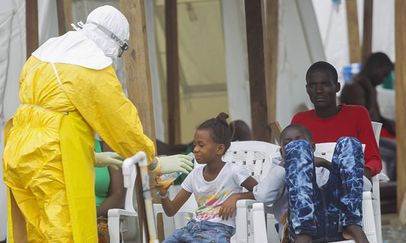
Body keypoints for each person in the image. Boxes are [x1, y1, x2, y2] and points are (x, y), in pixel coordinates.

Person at [2, 6, 192, 242]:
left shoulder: (45, 54)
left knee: (34, 231)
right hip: (53, 160)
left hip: (18, 152)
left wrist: (90, 154)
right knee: (65, 232)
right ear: (114, 43)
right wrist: (152, 161)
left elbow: (48, 114)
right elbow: (121, 124)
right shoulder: (90, 66)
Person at [290, 61, 382, 243]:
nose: (319, 90)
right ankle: (304, 229)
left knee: (349, 143)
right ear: (307, 89)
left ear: (337, 86)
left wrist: (357, 172)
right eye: (313, 85)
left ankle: (351, 223)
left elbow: (374, 159)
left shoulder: (357, 114)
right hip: (311, 190)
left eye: (325, 84)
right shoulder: (300, 119)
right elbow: (293, 163)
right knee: (297, 148)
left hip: (347, 188)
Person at [157, 113, 258, 242]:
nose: (195, 150)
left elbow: (259, 191)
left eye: (201, 145)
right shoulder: (194, 175)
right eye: (195, 145)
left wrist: (236, 197)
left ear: (219, 149)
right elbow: (171, 211)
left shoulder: (233, 171)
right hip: (192, 228)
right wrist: (163, 193)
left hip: (218, 230)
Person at [341, 52, 406, 180]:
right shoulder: (354, 87)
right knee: (405, 151)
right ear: (375, 68)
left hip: (374, 136)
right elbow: (361, 122)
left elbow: (378, 117)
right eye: (384, 74)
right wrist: (370, 92)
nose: (384, 79)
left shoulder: (369, 86)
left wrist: (393, 125)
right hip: (360, 141)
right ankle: (396, 190)